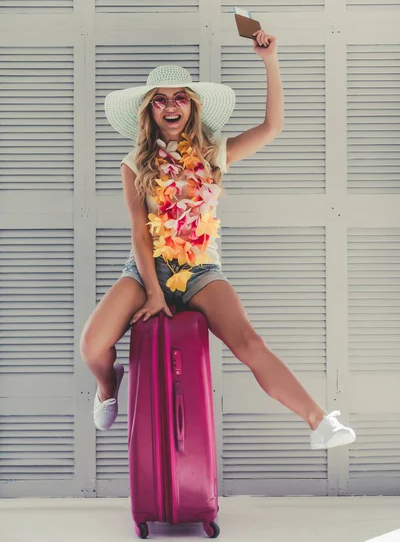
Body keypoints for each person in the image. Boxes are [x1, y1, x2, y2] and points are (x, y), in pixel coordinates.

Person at [80, 29, 356, 451]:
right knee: (93, 345)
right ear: (150, 111)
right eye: (160, 99)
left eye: (179, 98)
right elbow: (139, 230)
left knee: (249, 342)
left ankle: (319, 421)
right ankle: (107, 385)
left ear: (191, 106)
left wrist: (271, 61)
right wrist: (153, 292)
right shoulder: (134, 163)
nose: (171, 106)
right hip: (146, 269)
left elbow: (272, 127)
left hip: (201, 269)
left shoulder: (212, 154)